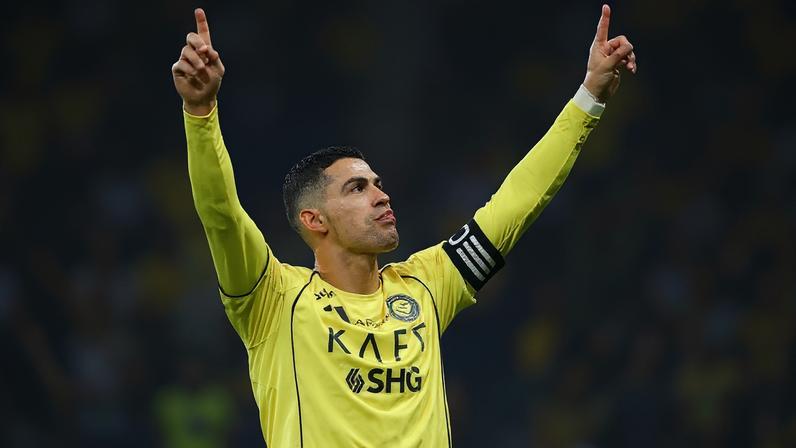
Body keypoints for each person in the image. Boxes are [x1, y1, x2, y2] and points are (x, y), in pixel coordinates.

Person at [172, 5, 636, 447]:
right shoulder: (272, 299)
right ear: (314, 220)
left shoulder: (427, 285)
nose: (381, 195)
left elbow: (516, 203)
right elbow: (221, 213)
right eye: (357, 189)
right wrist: (201, 114)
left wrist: (589, 96)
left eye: (378, 183)